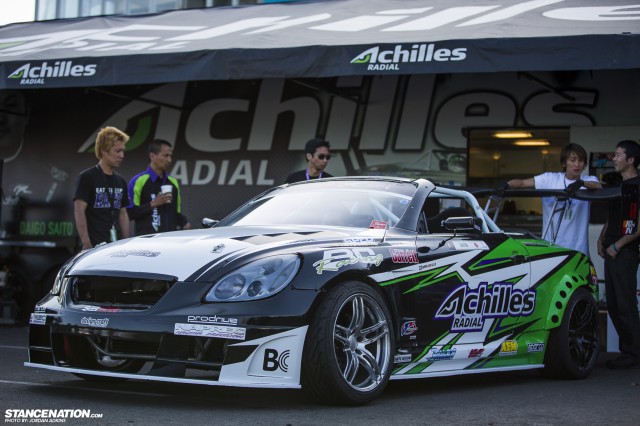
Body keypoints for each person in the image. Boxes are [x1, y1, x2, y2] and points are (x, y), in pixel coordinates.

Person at [503, 143, 601, 255]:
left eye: (581, 161)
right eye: (573, 160)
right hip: (551, 247)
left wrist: (580, 183)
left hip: (579, 248)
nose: (577, 164)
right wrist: (506, 184)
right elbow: (522, 183)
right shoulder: (549, 179)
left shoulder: (589, 180)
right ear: (564, 163)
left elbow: (598, 186)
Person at [597, 139, 640, 370]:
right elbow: (610, 217)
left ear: (631, 159)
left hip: (625, 251)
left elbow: (638, 225)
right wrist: (601, 238)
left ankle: (632, 353)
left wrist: (618, 246)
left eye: (618, 155)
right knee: (612, 304)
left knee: (625, 304)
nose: (614, 159)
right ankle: (628, 352)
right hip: (612, 249)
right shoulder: (616, 184)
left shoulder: (637, 185)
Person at [73, 126, 130, 250]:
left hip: (116, 246)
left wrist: (126, 243)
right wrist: (86, 243)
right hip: (93, 246)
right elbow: (79, 210)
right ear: (104, 150)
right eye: (118, 151)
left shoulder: (121, 181)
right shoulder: (87, 177)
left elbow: (123, 213)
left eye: (123, 151)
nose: (122, 155)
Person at [127, 139, 191, 235]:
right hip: (145, 241)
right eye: (165, 155)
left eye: (170, 156)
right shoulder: (138, 181)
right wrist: (153, 204)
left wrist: (185, 223)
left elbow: (176, 213)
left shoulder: (173, 182)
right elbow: (129, 213)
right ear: (152, 156)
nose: (169, 160)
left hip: (170, 240)